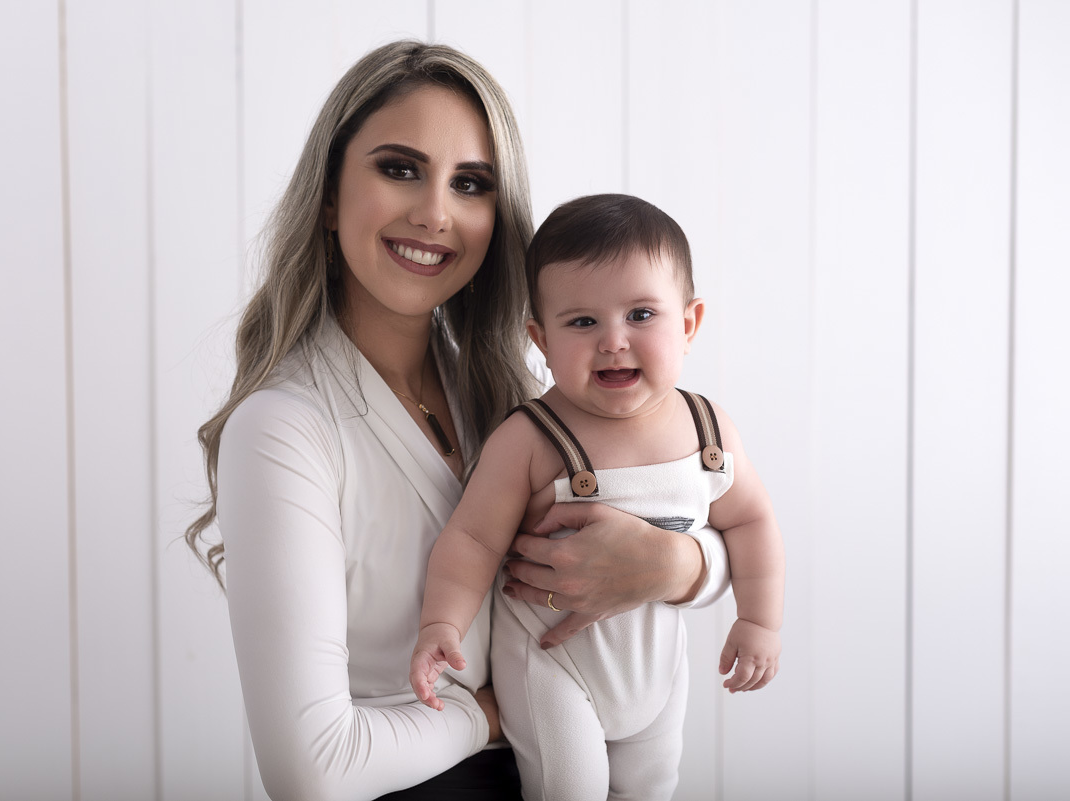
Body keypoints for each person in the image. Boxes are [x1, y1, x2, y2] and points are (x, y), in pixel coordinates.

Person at [184, 42, 732, 801]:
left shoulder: (512, 401)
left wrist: (678, 567)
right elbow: (313, 771)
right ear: (330, 196)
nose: (435, 214)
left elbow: (707, 513)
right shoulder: (284, 430)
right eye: (399, 168)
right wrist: (489, 716)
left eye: (470, 184)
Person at [410, 194, 784, 800]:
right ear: (541, 339)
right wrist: (441, 622)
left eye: (641, 314)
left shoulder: (709, 431)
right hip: (552, 667)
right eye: (583, 322)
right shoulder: (530, 438)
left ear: (688, 324)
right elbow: (472, 538)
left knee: (652, 789)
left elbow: (751, 523)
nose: (613, 341)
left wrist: (759, 621)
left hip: (658, 673)